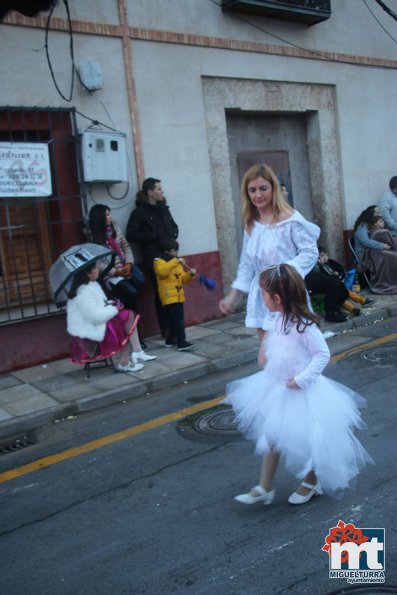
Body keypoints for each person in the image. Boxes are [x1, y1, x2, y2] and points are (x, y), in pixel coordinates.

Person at [226, 264, 373, 506]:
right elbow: (273, 349)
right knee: (272, 435)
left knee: (305, 439)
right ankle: (265, 486)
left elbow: (322, 354)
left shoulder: (304, 325)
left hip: (303, 391)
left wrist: (302, 379)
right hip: (279, 387)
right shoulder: (277, 318)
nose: (261, 299)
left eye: (263, 294)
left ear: (276, 298)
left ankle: (311, 481)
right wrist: (265, 350)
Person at [219, 164, 320, 339]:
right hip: (261, 296)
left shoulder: (290, 218)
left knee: (293, 351)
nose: (258, 195)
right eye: (252, 190)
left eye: (263, 188)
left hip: (286, 292)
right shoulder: (251, 223)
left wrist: (284, 273)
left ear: (273, 188)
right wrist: (232, 296)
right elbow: (246, 263)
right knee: (268, 356)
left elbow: (310, 252)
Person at [89, 204, 156, 364]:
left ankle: (137, 343)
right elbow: (98, 263)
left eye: (109, 214)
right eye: (106, 215)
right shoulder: (94, 237)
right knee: (127, 305)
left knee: (133, 306)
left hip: (127, 269)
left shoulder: (115, 227)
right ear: (99, 218)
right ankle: (134, 344)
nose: (109, 217)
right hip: (112, 277)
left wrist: (129, 264)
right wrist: (116, 272)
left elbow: (125, 246)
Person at [66, 262, 144, 373]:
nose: (98, 271)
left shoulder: (92, 285)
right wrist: (113, 309)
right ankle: (130, 356)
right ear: (88, 273)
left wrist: (111, 303)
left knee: (127, 318)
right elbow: (95, 316)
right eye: (95, 269)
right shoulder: (83, 291)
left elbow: (100, 304)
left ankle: (129, 356)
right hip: (91, 329)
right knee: (127, 320)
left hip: (100, 322)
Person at [126, 178, 179, 336]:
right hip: (155, 258)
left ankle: (176, 326)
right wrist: (153, 236)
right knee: (161, 293)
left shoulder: (163, 209)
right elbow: (131, 234)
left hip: (170, 255)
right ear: (150, 192)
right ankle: (166, 328)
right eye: (158, 189)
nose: (161, 191)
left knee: (175, 290)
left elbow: (173, 226)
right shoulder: (140, 212)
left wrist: (173, 236)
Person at [306, 247, 376, 320]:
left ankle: (358, 304)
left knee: (341, 289)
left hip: (337, 283)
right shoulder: (318, 265)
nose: (324, 258)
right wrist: (319, 264)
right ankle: (354, 306)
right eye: (320, 256)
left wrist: (339, 274)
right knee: (338, 288)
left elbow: (340, 269)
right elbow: (318, 274)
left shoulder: (330, 262)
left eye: (324, 255)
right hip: (325, 284)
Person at [153, 237, 196, 351]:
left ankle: (170, 339)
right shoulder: (159, 261)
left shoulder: (175, 262)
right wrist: (175, 261)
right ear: (167, 251)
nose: (176, 253)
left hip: (178, 295)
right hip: (168, 296)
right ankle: (181, 342)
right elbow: (162, 272)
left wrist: (190, 274)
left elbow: (182, 279)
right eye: (174, 251)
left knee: (174, 319)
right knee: (178, 319)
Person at [356, 214, 397, 294]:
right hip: (368, 253)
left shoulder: (379, 230)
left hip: (377, 250)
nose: (383, 223)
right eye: (381, 221)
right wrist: (382, 246)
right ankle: (388, 282)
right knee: (391, 257)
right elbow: (367, 242)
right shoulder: (363, 229)